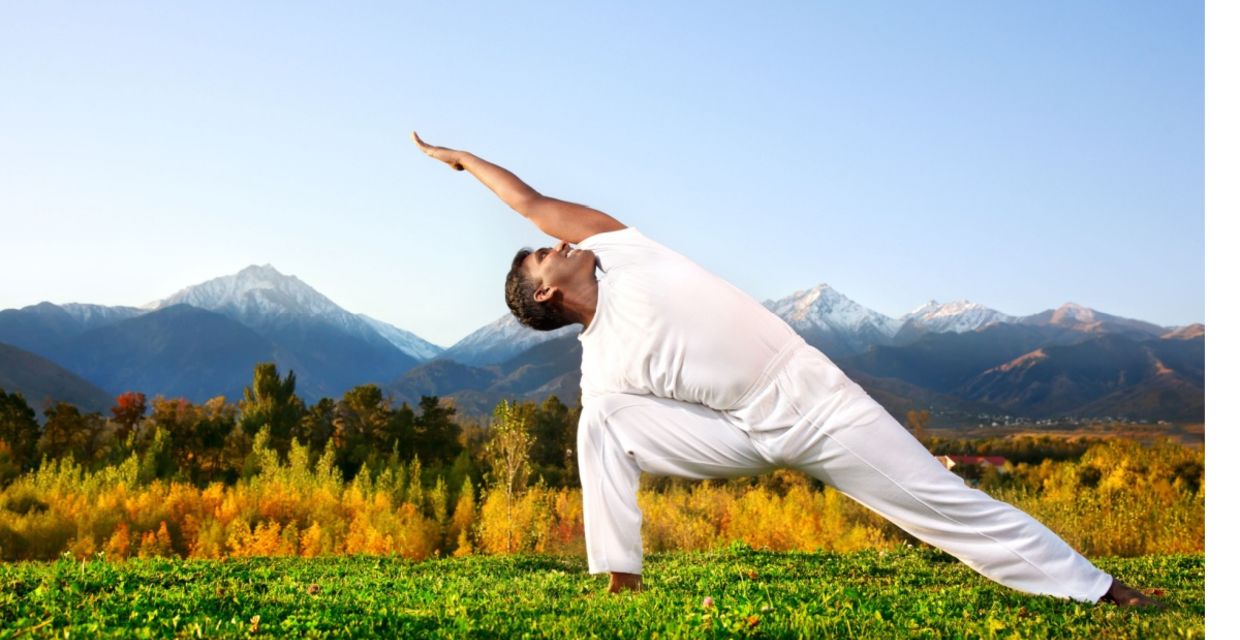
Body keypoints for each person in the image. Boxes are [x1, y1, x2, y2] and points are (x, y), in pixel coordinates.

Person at [411, 132, 1162, 607]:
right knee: (601, 420)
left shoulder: (623, 251)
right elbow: (619, 422)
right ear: (546, 292)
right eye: (548, 253)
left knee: (943, 504)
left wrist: (464, 159)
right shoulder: (601, 362)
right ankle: (621, 577)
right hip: (743, 433)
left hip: (819, 405)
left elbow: (530, 201)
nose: (560, 241)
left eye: (553, 241)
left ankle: (1099, 588)